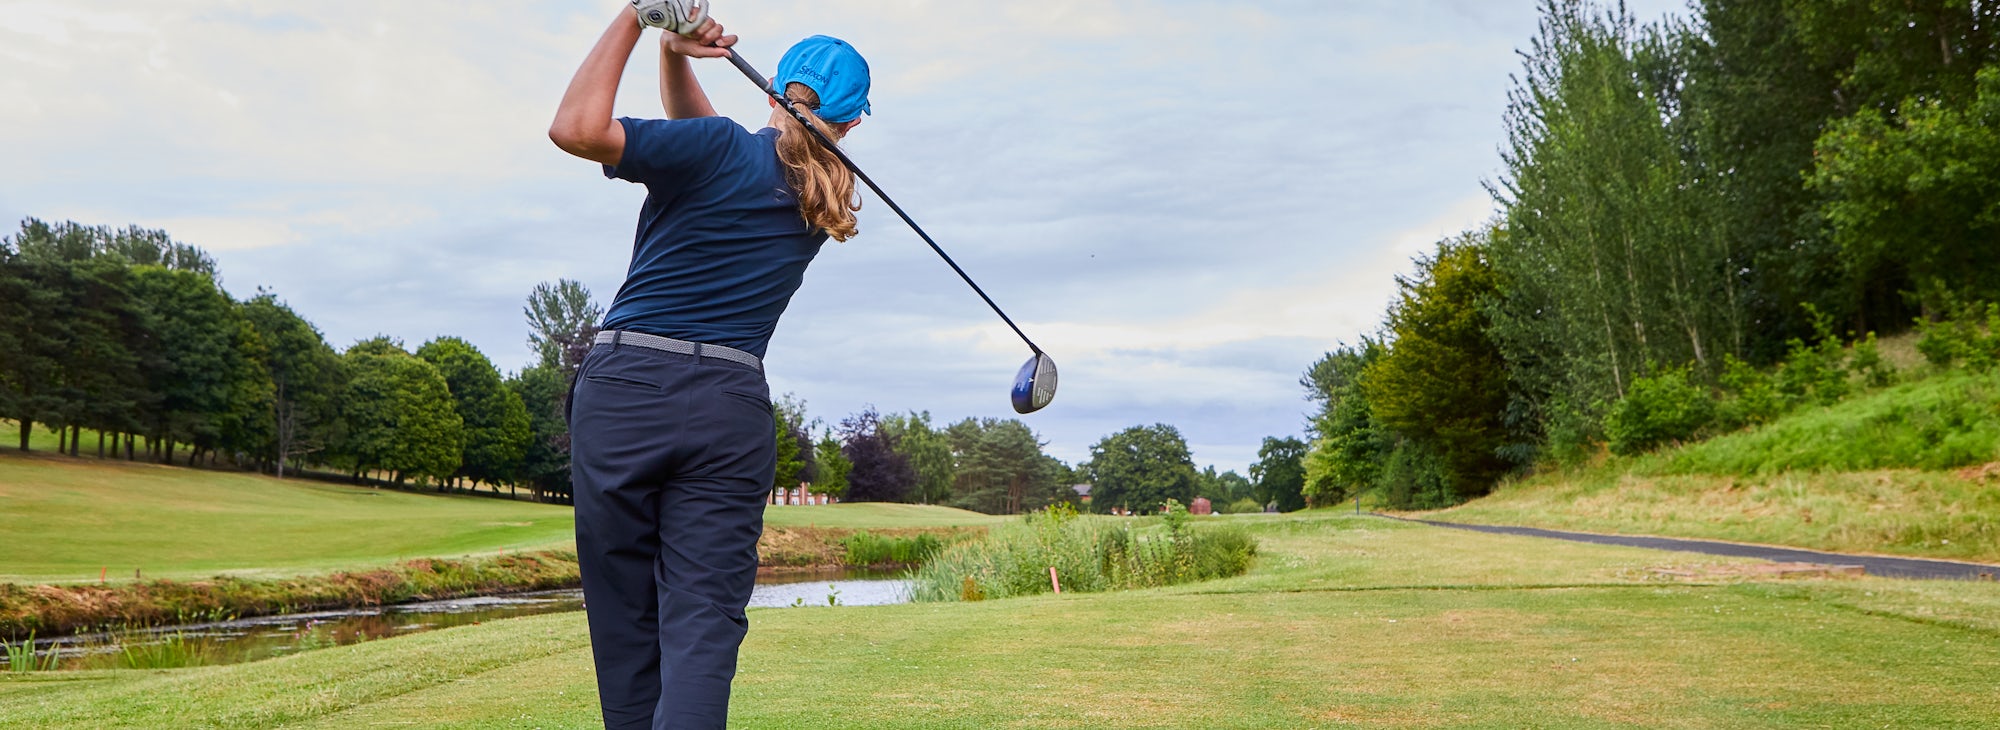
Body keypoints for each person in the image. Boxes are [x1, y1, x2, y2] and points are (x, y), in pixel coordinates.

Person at [548, 3, 871, 728]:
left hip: (626, 392)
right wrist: (674, 55)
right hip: (729, 408)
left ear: (772, 91)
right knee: (701, 631)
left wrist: (637, 18)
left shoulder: (720, 149)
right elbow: (713, 139)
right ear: (852, 124)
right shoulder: (823, 197)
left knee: (627, 623)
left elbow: (575, 129)